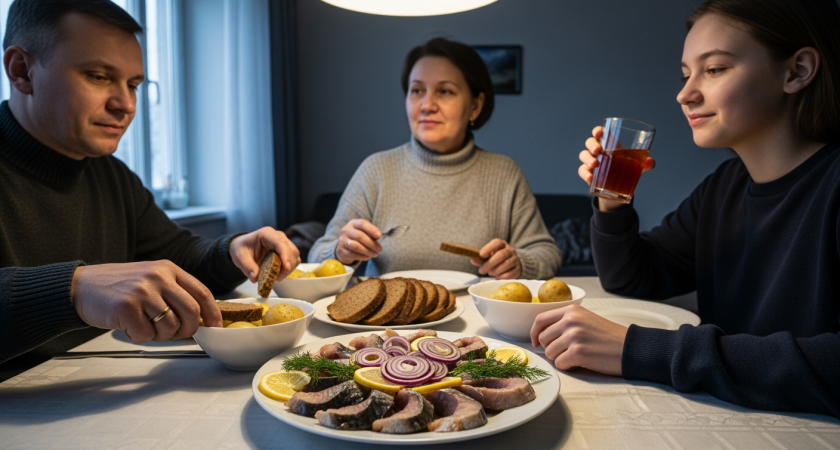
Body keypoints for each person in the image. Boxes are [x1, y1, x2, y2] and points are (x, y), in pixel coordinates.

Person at [531, 0, 840, 417]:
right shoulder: (722, 188)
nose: (684, 94)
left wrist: (636, 348)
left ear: (797, 70)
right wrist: (611, 200)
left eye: (714, 69)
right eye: (684, 74)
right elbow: (633, 277)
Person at [0, 0, 300, 365]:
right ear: (22, 71)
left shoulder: (111, 174)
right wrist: (74, 290)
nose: (126, 104)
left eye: (134, 84)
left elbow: (178, 256)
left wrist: (232, 252)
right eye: (98, 76)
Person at [308, 38, 561, 280]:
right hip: (389, 323)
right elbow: (317, 256)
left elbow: (547, 254)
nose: (427, 105)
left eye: (445, 91)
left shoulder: (504, 174)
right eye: (417, 90)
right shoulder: (376, 170)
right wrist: (341, 253)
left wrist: (518, 263)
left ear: (475, 106)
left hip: (477, 321)